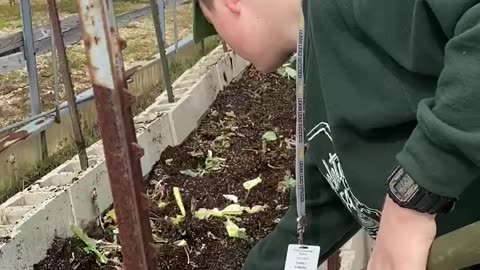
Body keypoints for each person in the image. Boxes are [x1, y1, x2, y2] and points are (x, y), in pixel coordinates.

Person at [192, 0, 480, 269]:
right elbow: (330, 189)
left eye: (215, 29)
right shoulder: (315, 52)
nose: (228, 47)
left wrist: (413, 199)